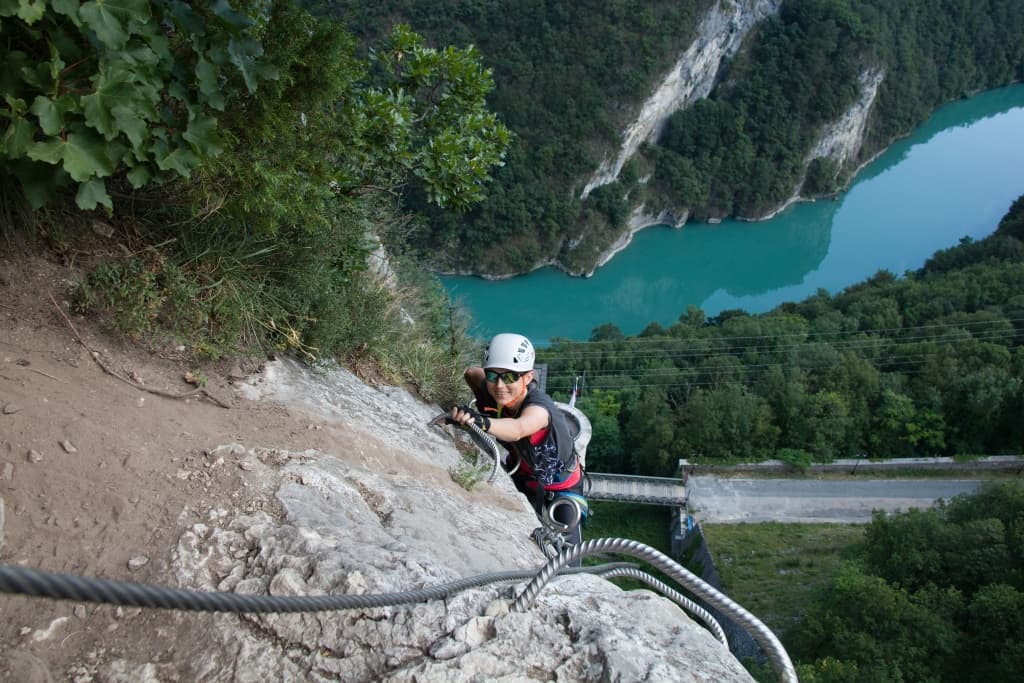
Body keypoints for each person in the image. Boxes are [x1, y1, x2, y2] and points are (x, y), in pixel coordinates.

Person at [449, 333, 588, 558]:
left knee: (567, 560)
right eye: (493, 375)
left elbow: (518, 429)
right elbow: (471, 374)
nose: (500, 385)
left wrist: (479, 420)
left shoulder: (540, 409)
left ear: (528, 377)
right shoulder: (490, 388)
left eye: (511, 377)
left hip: (562, 490)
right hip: (522, 476)